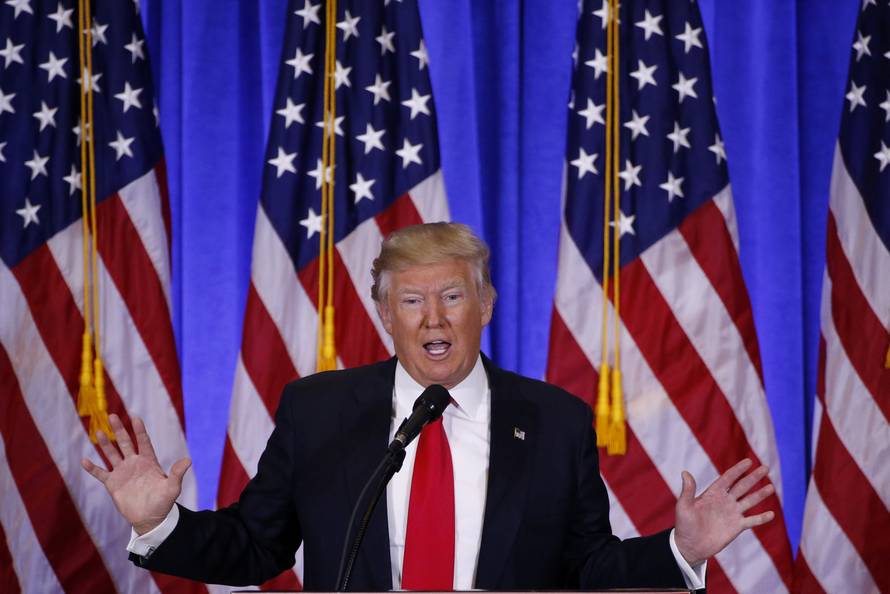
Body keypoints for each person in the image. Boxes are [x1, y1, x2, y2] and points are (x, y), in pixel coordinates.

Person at [82, 222, 775, 591]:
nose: (432, 317)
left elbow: (586, 568)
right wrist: (160, 524)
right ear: (386, 314)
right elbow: (258, 548)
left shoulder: (556, 420)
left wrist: (681, 550)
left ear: (485, 307)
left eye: (452, 297)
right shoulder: (318, 410)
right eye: (411, 301)